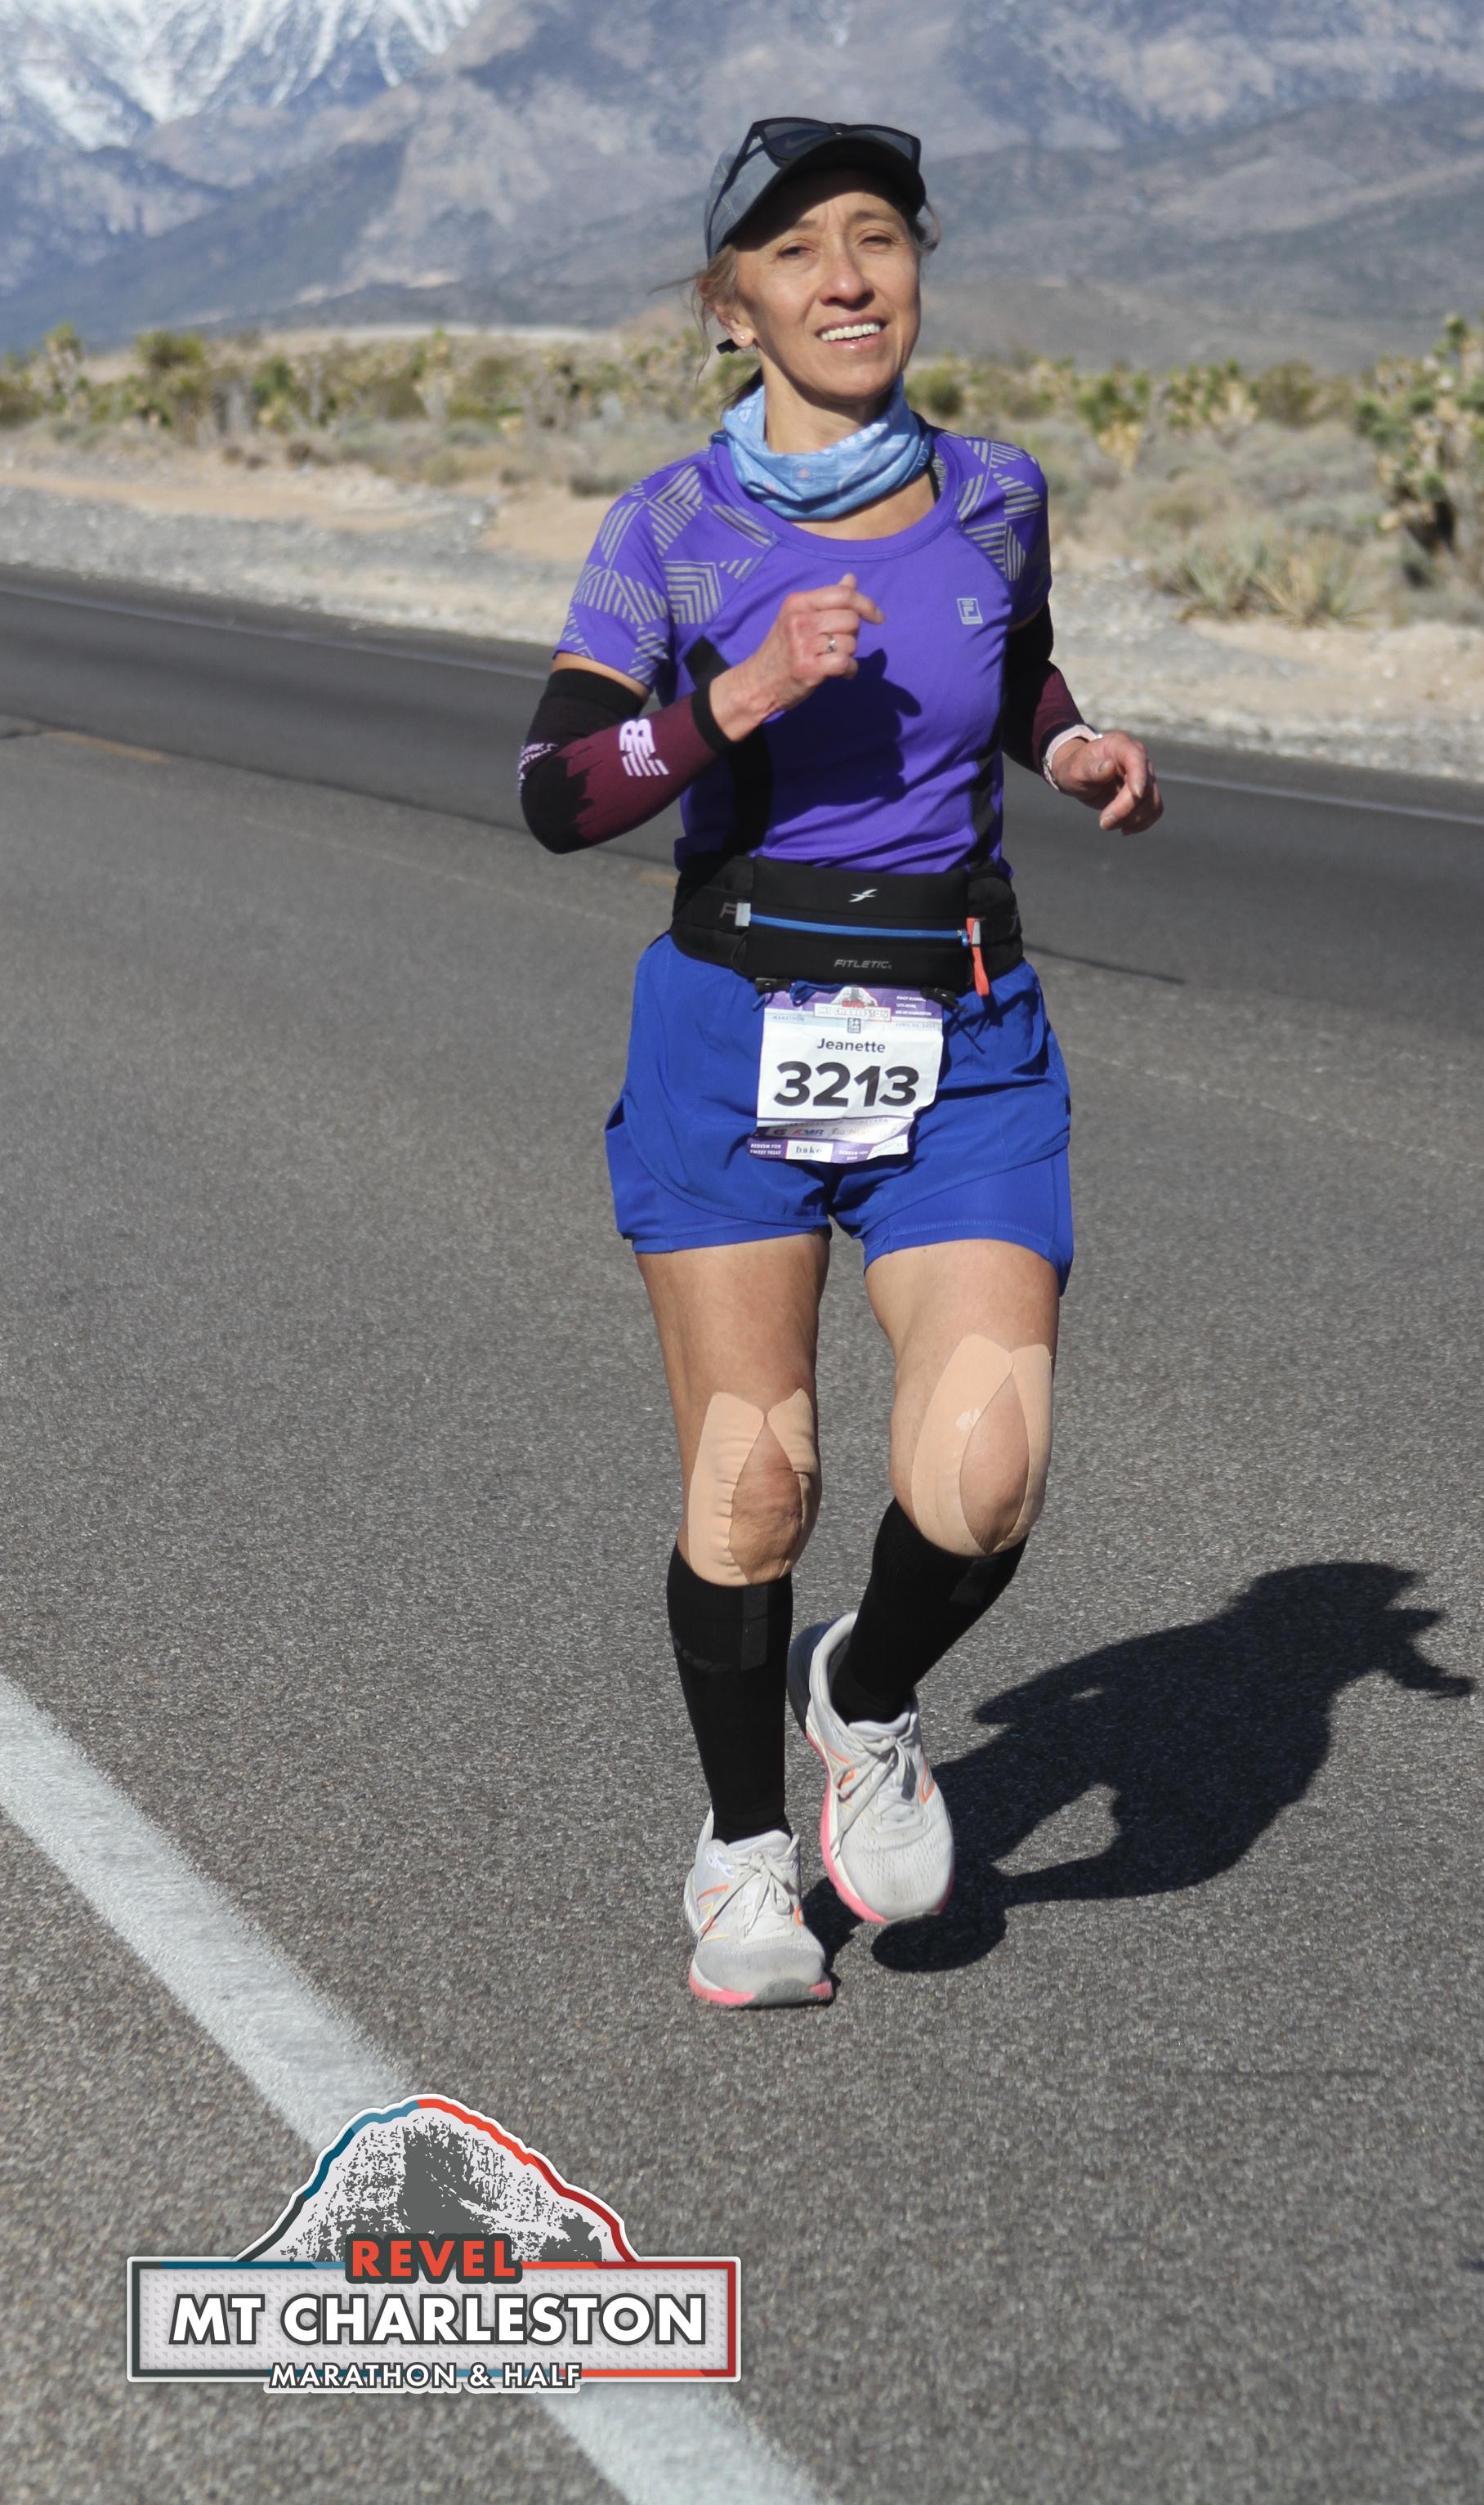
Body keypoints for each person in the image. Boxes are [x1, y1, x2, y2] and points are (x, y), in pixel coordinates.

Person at [518, 115, 1161, 2006]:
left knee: (986, 1478)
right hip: (738, 1035)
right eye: (798, 251)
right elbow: (556, 792)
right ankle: (741, 1857)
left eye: (877, 237)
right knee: (757, 1488)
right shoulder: (669, 530)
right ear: (735, 309)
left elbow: (1009, 659)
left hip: (962, 1029)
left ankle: (863, 1695)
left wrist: (1069, 745)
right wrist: (733, 698)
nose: (849, 277)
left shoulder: (998, 493)